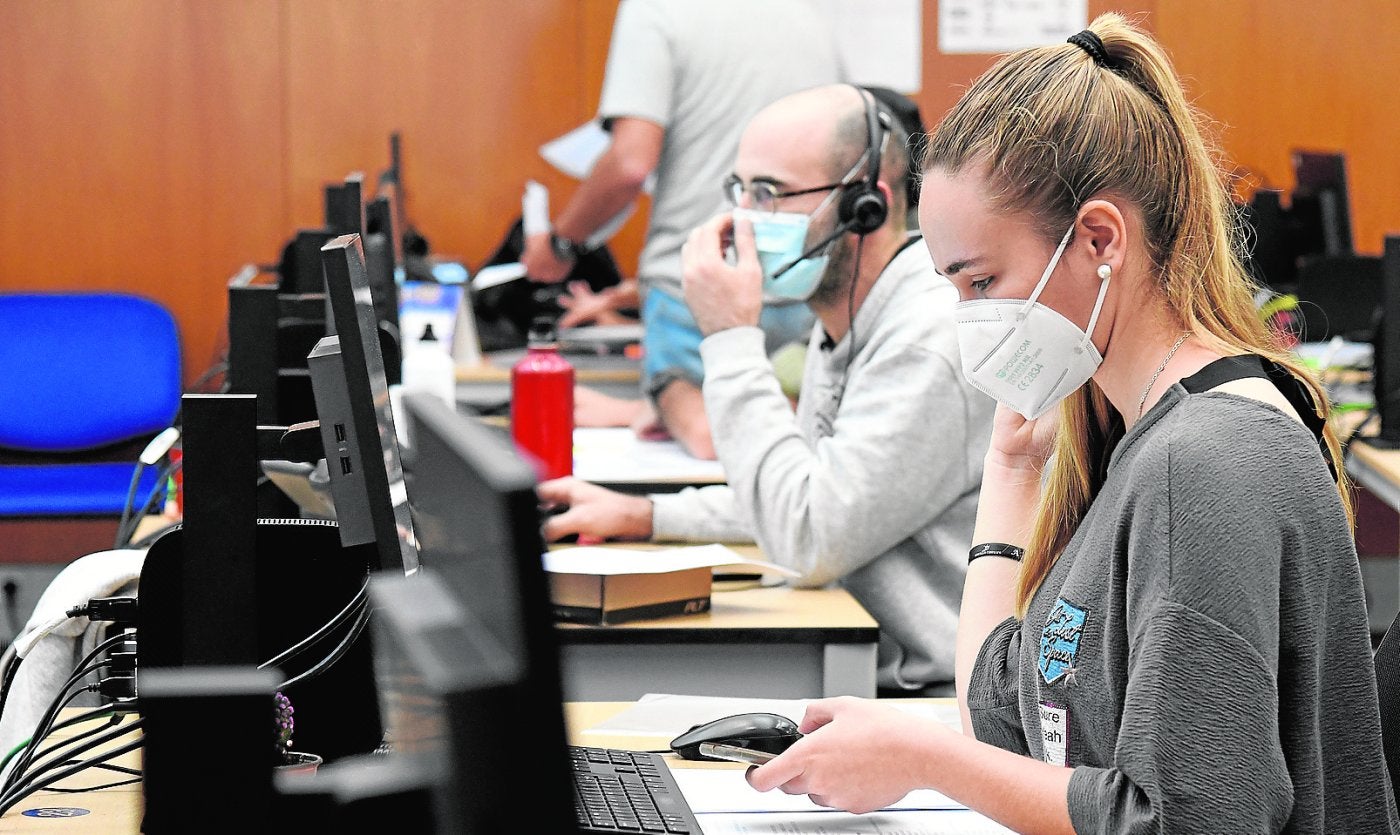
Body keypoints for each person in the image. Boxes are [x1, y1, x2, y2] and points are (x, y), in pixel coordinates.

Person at [740, 15, 1400, 834]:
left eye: (981, 282)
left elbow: (1189, 821)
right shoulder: (1129, 428)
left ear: (1098, 239)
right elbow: (1006, 718)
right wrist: (1012, 471)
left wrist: (920, 757)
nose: (968, 317)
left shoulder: (1206, 463)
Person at [539, 83, 996, 696]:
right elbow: (809, 490)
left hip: (929, 704)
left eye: (770, 194)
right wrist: (646, 515)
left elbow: (806, 534)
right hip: (860, 667)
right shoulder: (850, 313)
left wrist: (730, 336)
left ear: (868, 206)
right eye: (740, 191)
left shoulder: (925, 338)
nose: (745, 221)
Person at [519, 0, 844, 459]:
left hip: (699, 286)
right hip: (799, 280)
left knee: (719, 437)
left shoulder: (656, 11)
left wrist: (560, 245)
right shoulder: (808, 15)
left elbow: (631, 164)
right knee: (785, 445)